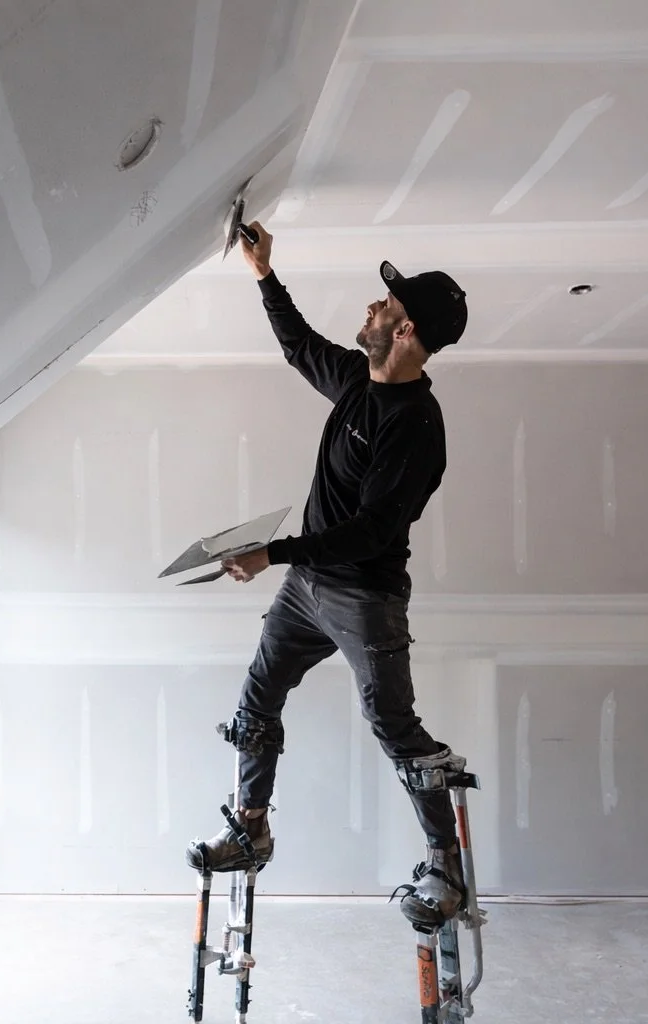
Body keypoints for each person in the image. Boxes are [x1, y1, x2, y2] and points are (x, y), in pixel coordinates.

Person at [184, 220, 471, 929]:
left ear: (406, 331)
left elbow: (374, 529)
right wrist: (263, 272)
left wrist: (276, 553)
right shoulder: (354, 379)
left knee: (393, 725)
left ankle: (446, 868)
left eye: (386, 305)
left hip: (363, 597)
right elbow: (297, 345)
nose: (372, 309)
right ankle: (251, 830)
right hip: (308, 588)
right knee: (257, 697)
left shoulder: (417, 425)